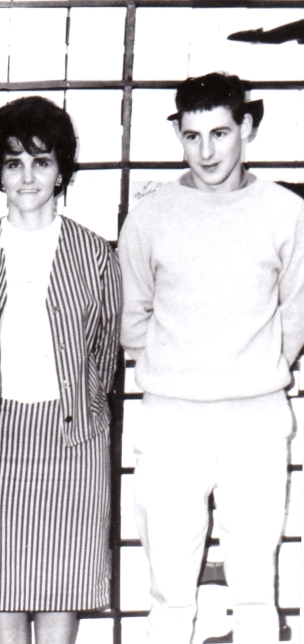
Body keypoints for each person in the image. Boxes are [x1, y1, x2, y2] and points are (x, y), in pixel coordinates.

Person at [118, 72, 304, 644]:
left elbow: (296, 318)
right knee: (170, 599)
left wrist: (243, 374)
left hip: (256, 422)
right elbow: (132, 318)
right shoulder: (151, 213)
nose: (207, 152)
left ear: (246, 127)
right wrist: (183, 372)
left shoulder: (284, 211)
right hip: (172, 422)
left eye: (220, 134)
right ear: (178, 133)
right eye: (193, 136)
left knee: (254, 595)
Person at [0, 96, 121, 644]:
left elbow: (105, 351)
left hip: (74, 440)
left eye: (42, 161)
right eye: (13, 162)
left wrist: (81, 409)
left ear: (61, 170)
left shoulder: (95, 254)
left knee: (61, 586)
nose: (28, 176)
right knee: (3, 587)